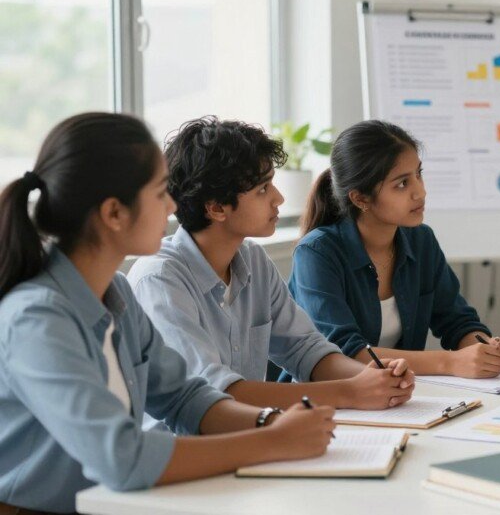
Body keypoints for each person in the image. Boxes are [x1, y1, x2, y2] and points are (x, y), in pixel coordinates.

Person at [0, 113, 335, 514]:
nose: (174, 205)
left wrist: (268, 422)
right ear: (113, 213)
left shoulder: (116, 292)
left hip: (119, 501)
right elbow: (121, 458)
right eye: (160, 193)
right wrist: (273, 441)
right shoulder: (36, 318)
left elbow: (184, 398)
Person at [128, 116, 413, 416]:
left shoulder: (252, 260)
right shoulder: (159, 281)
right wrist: (350, 391)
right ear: (215, 208)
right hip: (188, 452)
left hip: (249, 437)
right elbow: (216, 393)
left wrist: (375, 377)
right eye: (263, 189)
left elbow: (306, 350)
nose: (279, 198)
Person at [288, 120, 500, 378]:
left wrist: (485, 348)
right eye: (401, 184)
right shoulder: (317, 252)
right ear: (360, 198)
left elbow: (457, 321)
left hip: (397, 396)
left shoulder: (421, 241)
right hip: (323, 401)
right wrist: (451, 362)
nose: (420, 192)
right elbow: (346, 353)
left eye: (418, 174)